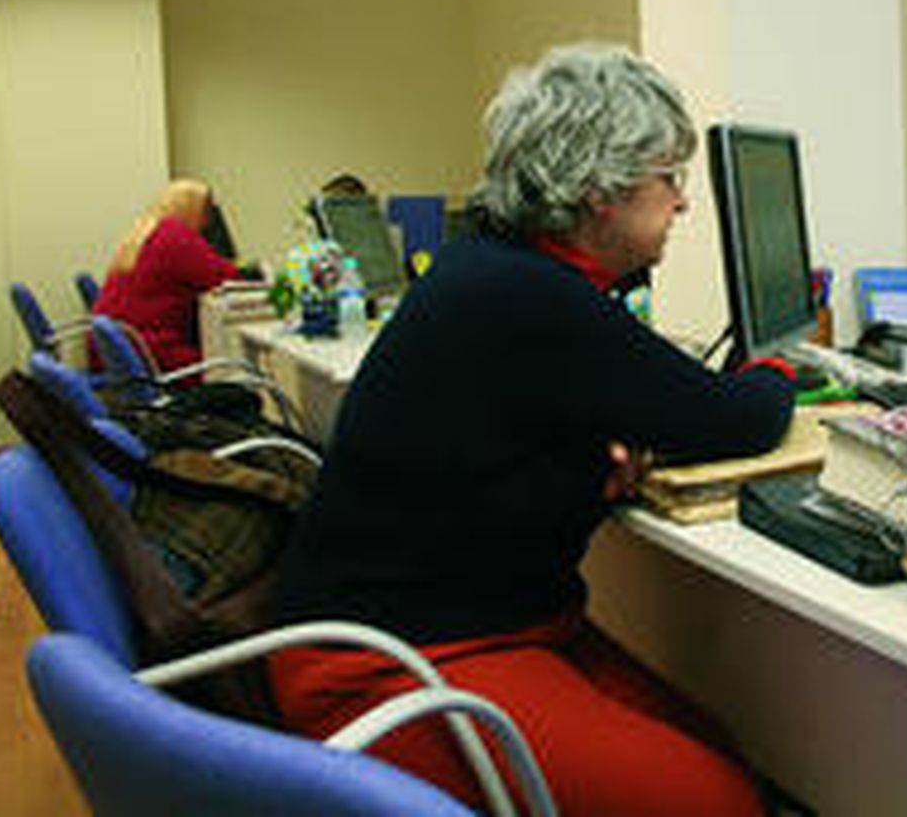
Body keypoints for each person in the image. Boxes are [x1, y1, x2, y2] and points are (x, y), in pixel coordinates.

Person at [270, 44, 796, 816]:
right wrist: (784, 367)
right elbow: (734, 418)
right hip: (385, 668)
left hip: (477, 626)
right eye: (668, 178)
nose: (682, 203)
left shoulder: (496, 270)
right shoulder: (532, 298)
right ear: (599, 189)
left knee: (717, 746)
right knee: (720, 803)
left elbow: (549, 421)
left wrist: (597, 444)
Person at [93, 178, 241, 374]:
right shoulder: (174, 236)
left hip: (120, 355)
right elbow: (227, 278)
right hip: (154, 357)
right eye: (207, 212)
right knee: (238, 370)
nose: (208, 220)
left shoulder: (144, 232)